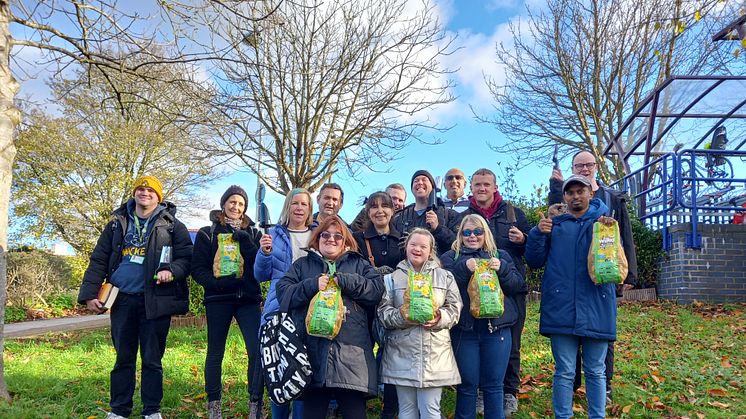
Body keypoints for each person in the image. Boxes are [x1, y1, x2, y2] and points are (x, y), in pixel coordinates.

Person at [77, 175, 192, 419]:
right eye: (140, 189)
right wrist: (89, 294)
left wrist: (170, 271)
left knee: (152, 360)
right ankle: (119, 410)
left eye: (151, 190)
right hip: (122, 300)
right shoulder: (116, 224)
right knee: (123, 359)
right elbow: (98, 259)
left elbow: (186, 259)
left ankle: (152, 411)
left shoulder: (172, 225)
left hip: (155, 300)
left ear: (158, 197)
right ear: (134, 193)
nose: (145, 193)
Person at [526, 175, 618, 419]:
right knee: (564, 370)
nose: (576, 196)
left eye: (581, 191)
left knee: (596, 370)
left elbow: (616, 264)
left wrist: (609, 228)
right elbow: (534, 261)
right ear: (564, 196)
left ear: (590, 193)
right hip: (561, 306)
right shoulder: (554, 224)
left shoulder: (604, 222)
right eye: (570, 192)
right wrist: (537, 233)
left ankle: (597, 416)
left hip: (597, 305)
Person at [548, 150, 637, 400]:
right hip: (570, 280)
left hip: (603, 276)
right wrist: (555, 189)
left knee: (601, 334)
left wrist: (630, 274)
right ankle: (573, 383)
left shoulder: (612, 197)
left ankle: (604, 385)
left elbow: (625, 236)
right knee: (569, 333)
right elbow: (555, 226)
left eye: (588, 165)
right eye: (579, 165)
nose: (584, 169)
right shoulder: (565, 194)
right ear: (573, 168)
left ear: (596, 166)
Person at [276, 215, 384, 419]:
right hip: (313, 354)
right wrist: (311, 285)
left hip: (352, 356)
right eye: (325, 235)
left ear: (346, 241)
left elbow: (377, 290)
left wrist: (348, 281)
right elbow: (283, 292)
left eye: (338, 236)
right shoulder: (302, 265)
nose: (331, 239)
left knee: (355, 414)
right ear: (317, 238)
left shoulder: (358, 264)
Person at [457, 168, 530, 416]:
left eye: (486, 184)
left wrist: (523, 241)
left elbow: (527, 262)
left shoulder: (513, 214)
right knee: (468, 381)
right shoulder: (463, 219)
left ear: (494, 186)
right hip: (467, 322)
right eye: (477, 184)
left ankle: (510, 393)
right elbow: (448, 272)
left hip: (502, 312)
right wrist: (463, 268)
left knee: (511, 352)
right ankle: (478, 396)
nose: (482, 188)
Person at [191, 185, 264, 419]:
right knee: (215, 353)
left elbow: (260, 267)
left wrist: (247, 243)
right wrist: (215, 284)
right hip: (218, 299)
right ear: (224, 204)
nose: (236, 207)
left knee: (256, 351)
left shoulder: (254, 234)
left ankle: (255, 404)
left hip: (248, 300)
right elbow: (197, 269)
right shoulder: (207, 233)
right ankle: (214, 406)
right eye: (232, 202)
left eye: (241, 204)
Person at [442, 214, 525, 419]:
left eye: (477, 231)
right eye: (467, 232)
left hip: (497, 330)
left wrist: (503, 269)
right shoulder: (450, 257)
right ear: (460, 235)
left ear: (485, 233)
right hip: (465, 331)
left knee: (495, 385)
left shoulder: (501, 255)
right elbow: (443, 288)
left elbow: (517, 285)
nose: (472, 236)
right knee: (468, 385)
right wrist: (463, 268)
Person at [378, 228, 462, 419]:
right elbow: (383, 313)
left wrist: (440, 317)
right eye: (413, 244)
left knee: (430, 410)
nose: (417, 249)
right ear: (406, 247)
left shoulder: (445, 276)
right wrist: (402, 316)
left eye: (423, 246)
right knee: (406, 410)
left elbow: (455, 308)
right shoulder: (391, 279)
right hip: (402, 353)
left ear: (430, 250)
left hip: (435, 355)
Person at [254, 188, 315, 419]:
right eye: (295, 203)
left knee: (302, 369)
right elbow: (260, 275)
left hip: (308, 308)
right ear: (287, 206)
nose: (299, 208)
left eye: (304, 204)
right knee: (279, 370)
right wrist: (264, 253)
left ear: (310, 209)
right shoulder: (275, 234)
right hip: (279, 307)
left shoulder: (317, 234)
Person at [352, 191, 405, 419]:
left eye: (385, 206)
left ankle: (390, 410)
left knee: (393, 356)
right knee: (361, 357)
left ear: (393, 210)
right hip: (364, 307)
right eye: (374, 207)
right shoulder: (357, 238)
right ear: (368, 211)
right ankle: (356, 407)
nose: (379, 211)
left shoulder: (403, 238)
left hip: (393, 307)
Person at [392, 170, 459, 256]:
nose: (420, 183)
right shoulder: (399, 217)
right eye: (416, 181)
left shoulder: (449, 215)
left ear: (432, 187)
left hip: (438, 267)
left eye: (424, 180)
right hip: (406, 267)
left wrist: (438, 229)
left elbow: (458, 246)